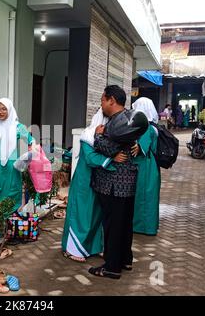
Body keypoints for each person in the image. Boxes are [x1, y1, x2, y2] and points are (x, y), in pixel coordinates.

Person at [88, 85, 145, 280]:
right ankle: (125, 259)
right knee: (124, 223)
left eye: (103, 100)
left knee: (112, 225)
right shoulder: (130, 117)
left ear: (111, 100)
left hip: (113, 183)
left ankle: (112, 267)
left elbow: (110, 147)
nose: (101, 105)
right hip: (127, 181)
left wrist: (97, 135)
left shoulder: (116, 122)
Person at [61, 108, 127, 262]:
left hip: (100, 180)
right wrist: (112, 159)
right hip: (85, 181)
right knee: (81, 213)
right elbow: (90, 158)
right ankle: (71, 249)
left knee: (96, 214)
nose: (107, 125)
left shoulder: (107, 138)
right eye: (105, 122)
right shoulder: (88, 136)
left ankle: (93, 247)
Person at [0, 98, 35, 244]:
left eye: (4, 108)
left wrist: (30, 153)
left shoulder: (17, 127)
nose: (1, 112)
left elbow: (30, 140)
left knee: (7, 197)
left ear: (10, 110)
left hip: (11, 170)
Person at [132, 97, 161, 236]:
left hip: (145, 167)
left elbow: (138, 149)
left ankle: (142, 227)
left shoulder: (146, 128)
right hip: (151, 167)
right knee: (149, 197)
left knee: (142, 196)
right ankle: (149, 226)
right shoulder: (153, 127)